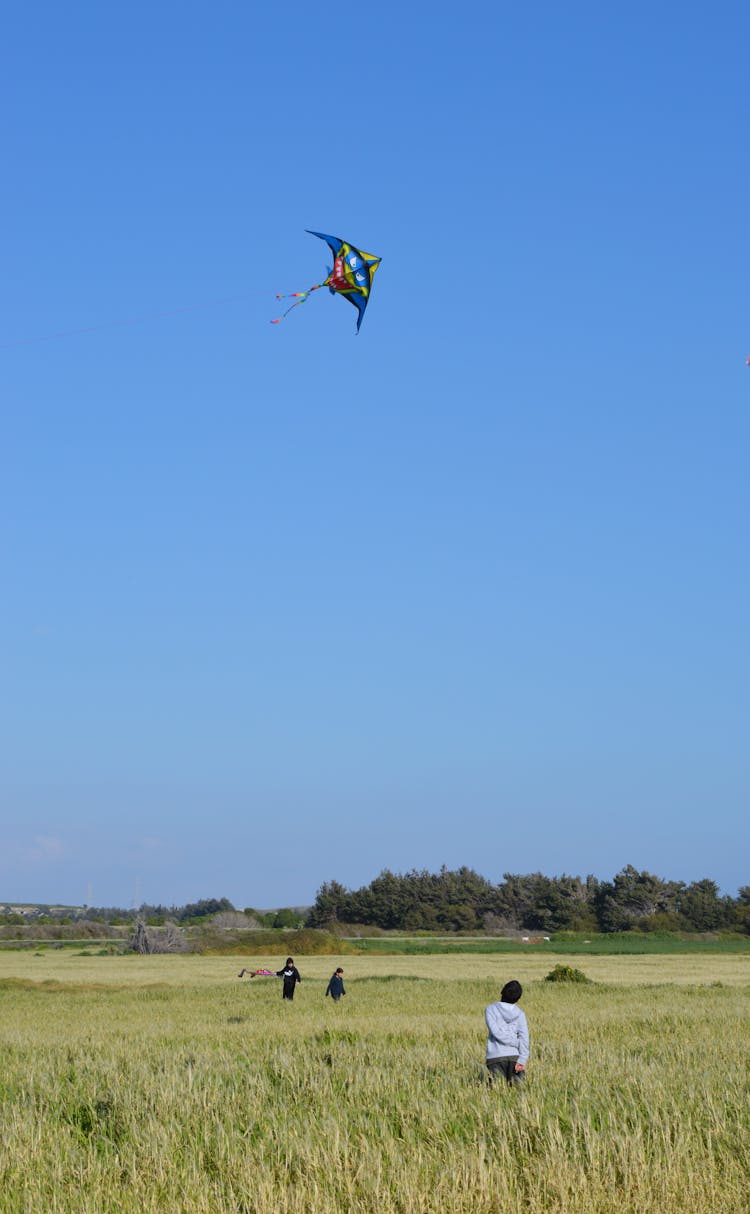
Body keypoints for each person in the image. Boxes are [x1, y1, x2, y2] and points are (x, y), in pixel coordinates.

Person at [485, 979, 529, 1086]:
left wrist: (514, 1043)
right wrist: (522, 1059)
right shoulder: (520, 1014)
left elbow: (495, 1032)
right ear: (518, 998)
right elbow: (524, 1037)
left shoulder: (490, 1009)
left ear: (502, 992)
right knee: (517, 1095)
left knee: (494, 1094)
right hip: (515, 1057)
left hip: (495, 1057)